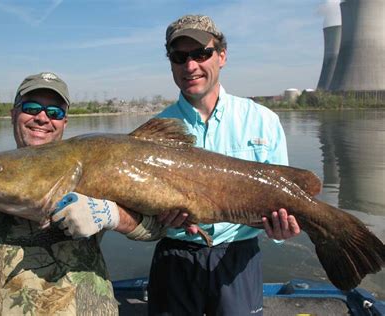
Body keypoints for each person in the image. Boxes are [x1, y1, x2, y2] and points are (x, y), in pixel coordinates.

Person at [52, 15, 302, 316]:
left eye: (201, 54)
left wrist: (281, 231)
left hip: (239, 257)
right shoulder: (152, 133)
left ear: (221, 55)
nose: (190, 65)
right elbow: (138, 214)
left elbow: (288, 201)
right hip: (175, 258)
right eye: (179, 57)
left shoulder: (264, 121)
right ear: (170, 62)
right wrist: (159, 218)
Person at [0, 72, 143, 315]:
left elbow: (154, 227)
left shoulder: (93, 171)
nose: (42, 118)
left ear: (64, 123)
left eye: (55, 112)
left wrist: (113, 215)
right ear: (13, 114)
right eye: (31, 108)